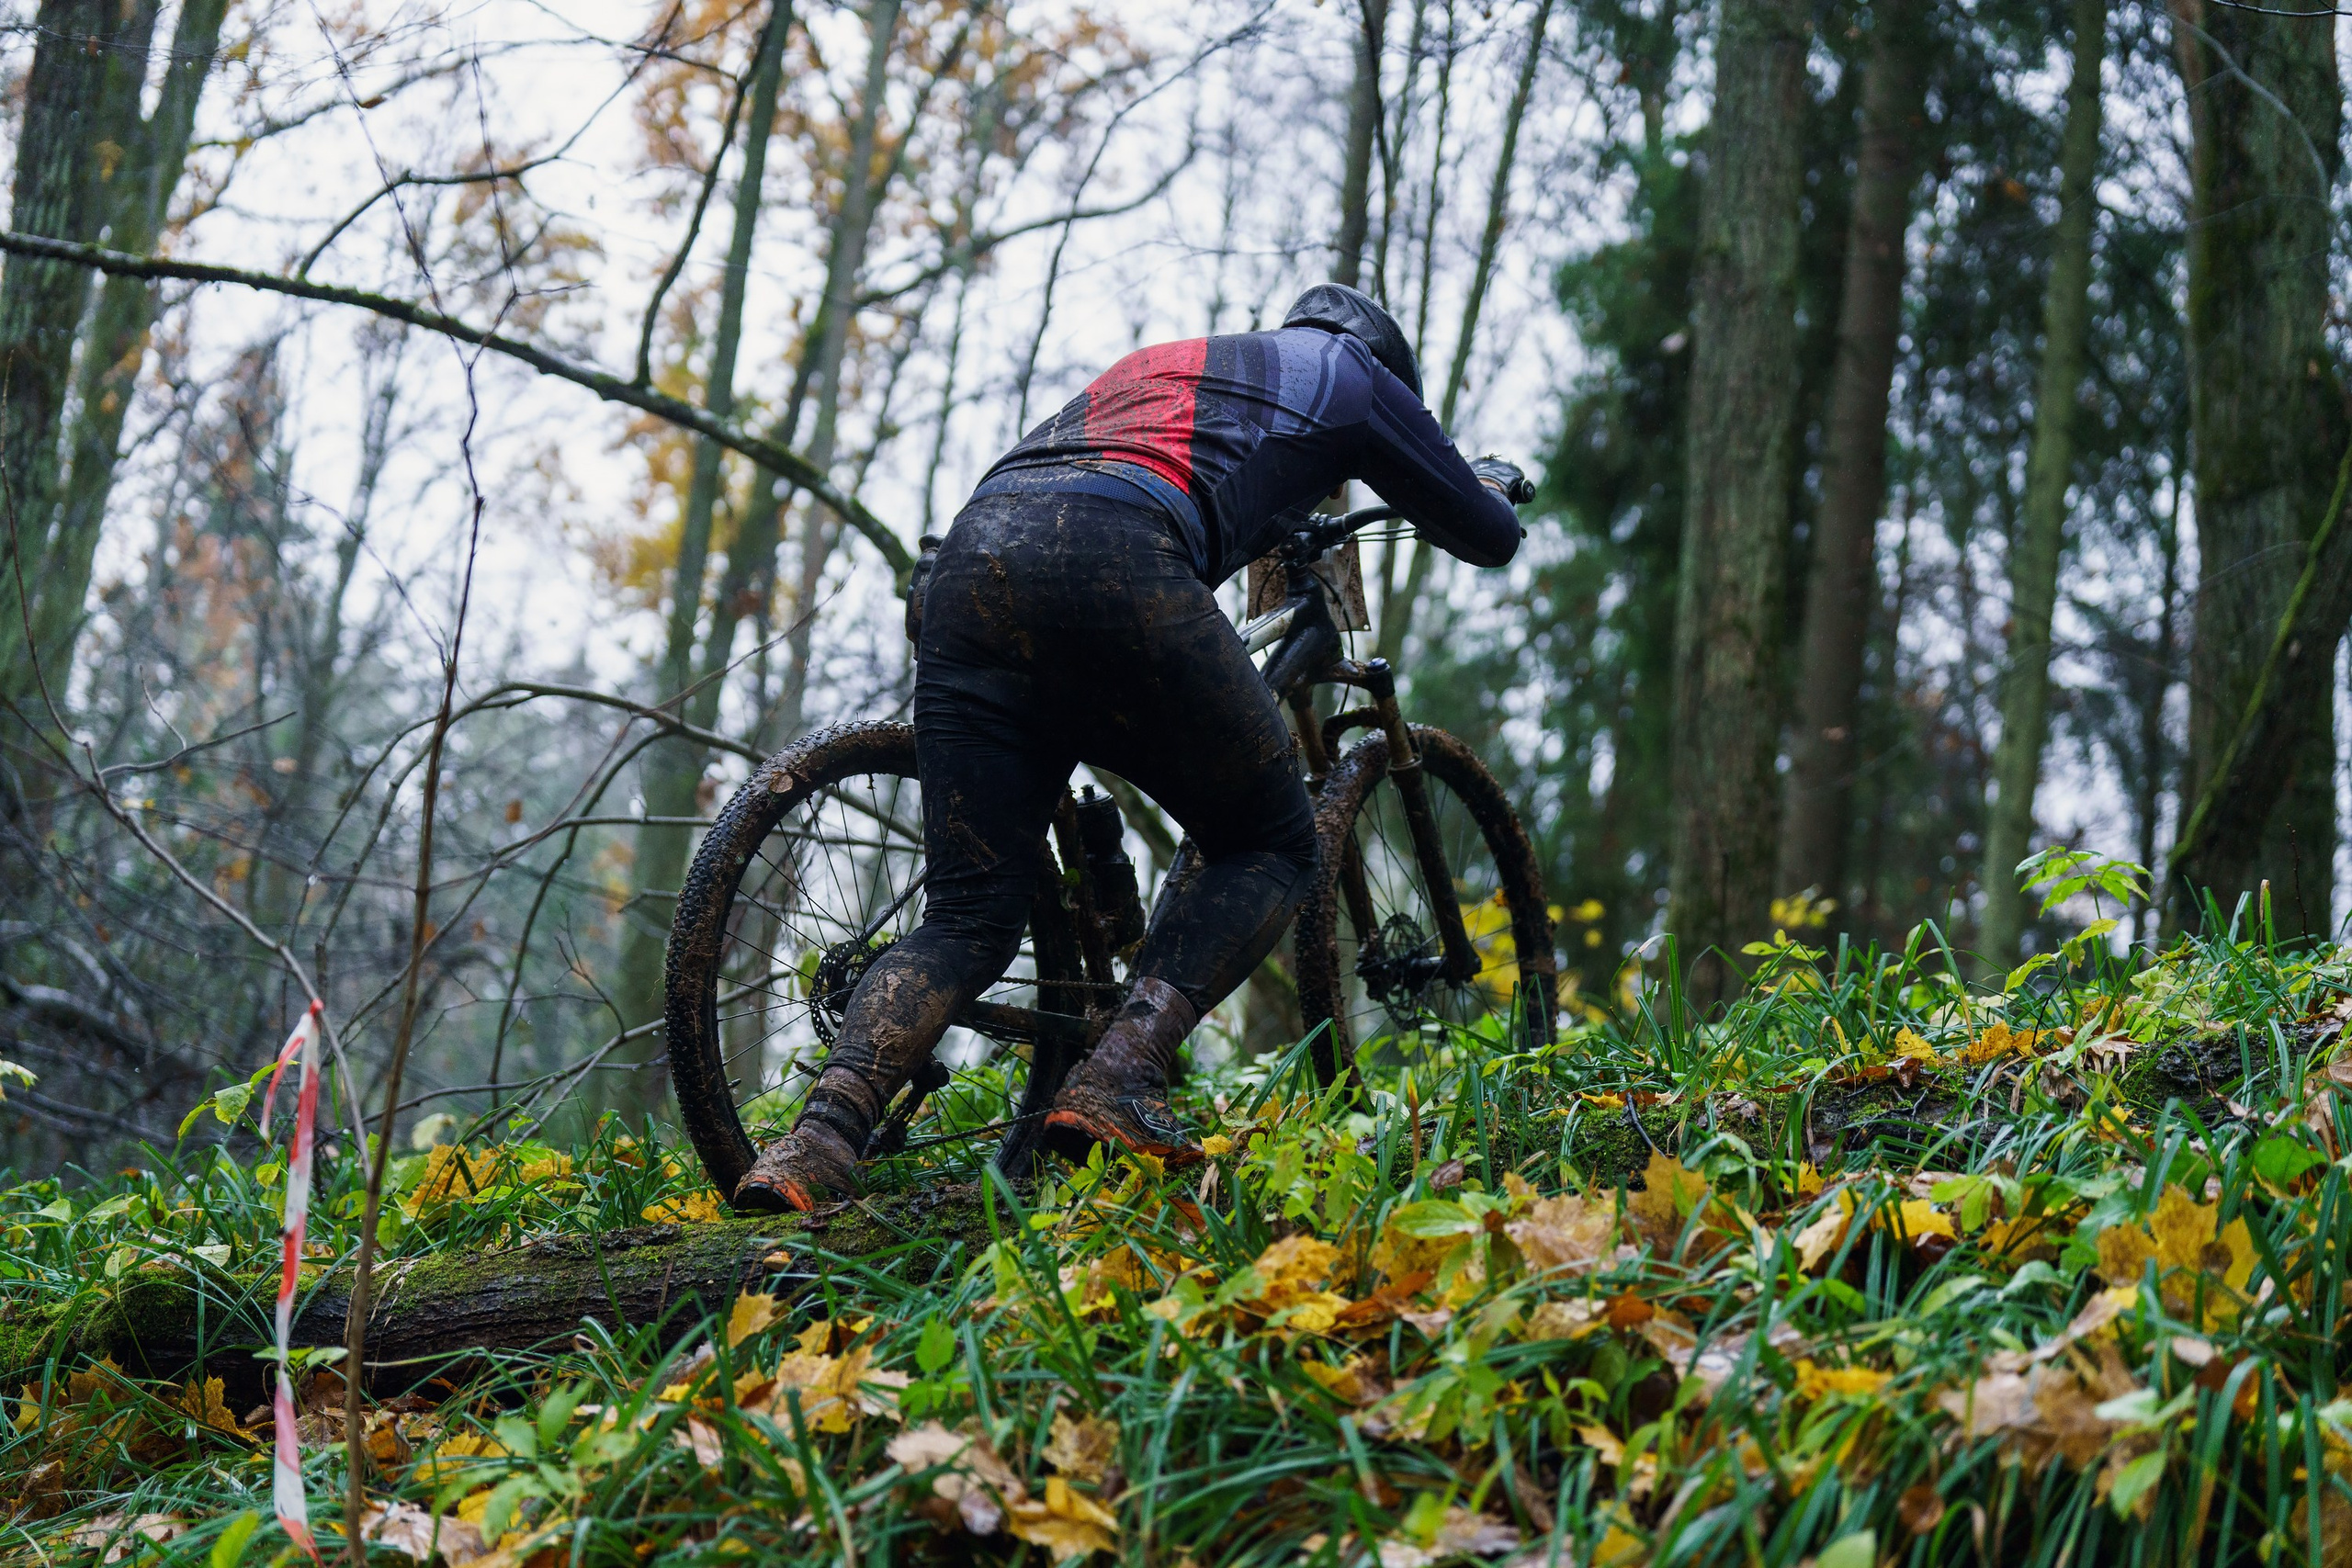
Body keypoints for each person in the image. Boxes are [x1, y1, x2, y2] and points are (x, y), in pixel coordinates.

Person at [734, 282, 1533, 1213]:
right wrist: (1479, 486)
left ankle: (818, 1140)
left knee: (966, 919)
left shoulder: (1188, 364)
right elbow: (1487, 536)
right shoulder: (1354, 375)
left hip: (971, 559)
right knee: (1272, 842)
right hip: (1113, 548)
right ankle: (1122, 1075)